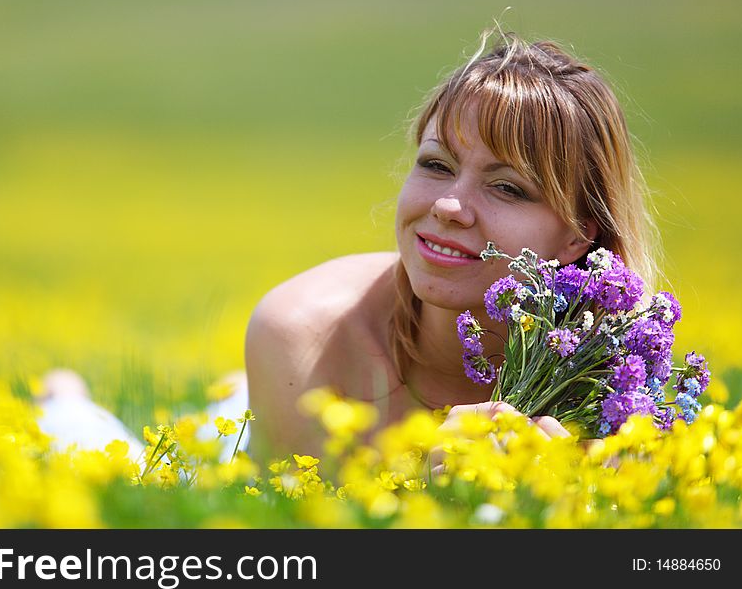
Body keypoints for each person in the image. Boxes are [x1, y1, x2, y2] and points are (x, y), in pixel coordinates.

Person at [244, 30, 658, 465]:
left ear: (579, 235)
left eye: (507, 188)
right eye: (436, 164)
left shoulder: (619, 375)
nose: (449, 206)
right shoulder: (305, 334)